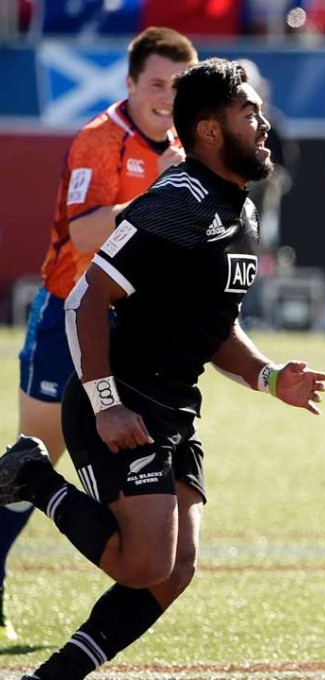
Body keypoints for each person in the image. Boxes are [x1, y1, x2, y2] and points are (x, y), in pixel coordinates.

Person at [0, 58, 325, 680]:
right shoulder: (177, 200)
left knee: (175, 571)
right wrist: (105, 403)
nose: (263, 124)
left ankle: (51, 677)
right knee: (142, 563)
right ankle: (34, 476)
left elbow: (217, 328)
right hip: (122, 395)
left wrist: (268, 376)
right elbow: (86, 299)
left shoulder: (243, 212)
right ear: (209, 130)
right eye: (249, 112)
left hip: (175, 403)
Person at [0, 26, 197, 642]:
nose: (166, 98)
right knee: (34, 459)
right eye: (156, 84)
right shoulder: (99, 140)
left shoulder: (184, 148)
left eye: (177, 86)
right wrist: (159, 186)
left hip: (129, 332)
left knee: (131, 472)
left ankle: (132, 586)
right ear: (131, 83)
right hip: (68, 315)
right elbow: (86, 237)